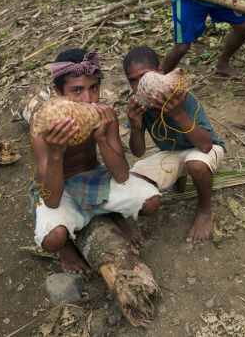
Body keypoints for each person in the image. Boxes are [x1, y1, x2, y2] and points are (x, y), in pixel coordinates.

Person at [31, 49, 160, 274]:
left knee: (151, 202)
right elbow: (51, 201)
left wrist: (101, 137)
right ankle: (67, 248)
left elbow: (121, 175)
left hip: (93, 177)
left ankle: (111, 215)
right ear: (57, 91)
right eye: (76, 91)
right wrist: (55, 153)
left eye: (94, 88)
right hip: (58, 188)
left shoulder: (105, 115)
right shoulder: (44, 125)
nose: (88, 99)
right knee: (53, 239)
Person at [123, 46, 226, 244]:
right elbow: (138, 152)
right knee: (134, 185)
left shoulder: (182, 96)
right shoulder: (137, 104)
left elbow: (206, 146)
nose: (139, 86)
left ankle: (205, 209)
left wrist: (178, 114)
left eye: (144, 76)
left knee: (195, 163)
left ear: (160, 72)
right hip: (172, 153)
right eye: (132, 81)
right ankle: (179, 178)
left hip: (203, 149)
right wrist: (135, 127)